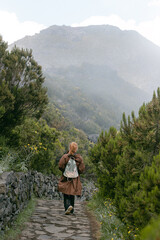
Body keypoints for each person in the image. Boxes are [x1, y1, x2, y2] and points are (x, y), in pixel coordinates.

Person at [58, 142, 85, 215]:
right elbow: (82, 169)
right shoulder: (79, 158)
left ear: (69, 148)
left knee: (66, 193)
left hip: (66, 177)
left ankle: (67, 207)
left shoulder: (65, 157)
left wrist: (65, 171)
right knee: (72, 193)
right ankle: (72, 208)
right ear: (76, 149)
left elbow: (60, 166)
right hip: (75, 179)